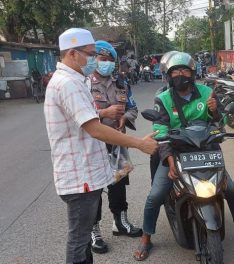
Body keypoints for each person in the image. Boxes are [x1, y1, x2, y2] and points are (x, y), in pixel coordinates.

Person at [133, 51, 234, 261]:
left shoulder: (206, 92)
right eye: (176, 71)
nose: (181, 74)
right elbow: (161, 132)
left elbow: (219, 124)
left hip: (206, 151)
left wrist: (215, 112)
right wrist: (169, 160)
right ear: (168, 75)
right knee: (155, 195)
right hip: (176, 153)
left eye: (185, 70)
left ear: (193, 73)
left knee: (232, 190)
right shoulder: (164, 99)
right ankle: (146, 238)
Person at [44, 28, 158, 264]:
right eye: (92, 54)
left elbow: (91, 117)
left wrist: (123, 118)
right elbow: (94, 128)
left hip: (89, 167)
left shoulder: (78, 80)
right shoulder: (68, 84)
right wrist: (139, 144)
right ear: (73, 54)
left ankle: (120, 221)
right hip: (79, 175)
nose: (96, 60)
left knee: (83, 236)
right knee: (79, 239)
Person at [88, 40, 143, 254]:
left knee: (118, 185)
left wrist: (125, 118)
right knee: (94, 191)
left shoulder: (121, 82)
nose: (107, 64)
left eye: (110, 60)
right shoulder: (85, 84)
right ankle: (94, 231)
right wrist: (104, 113)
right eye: (102, 59)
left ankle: (120, 223)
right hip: (93, 145)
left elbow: (133, 108)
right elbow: (77, 114)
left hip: (117, 144)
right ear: (94, 60)